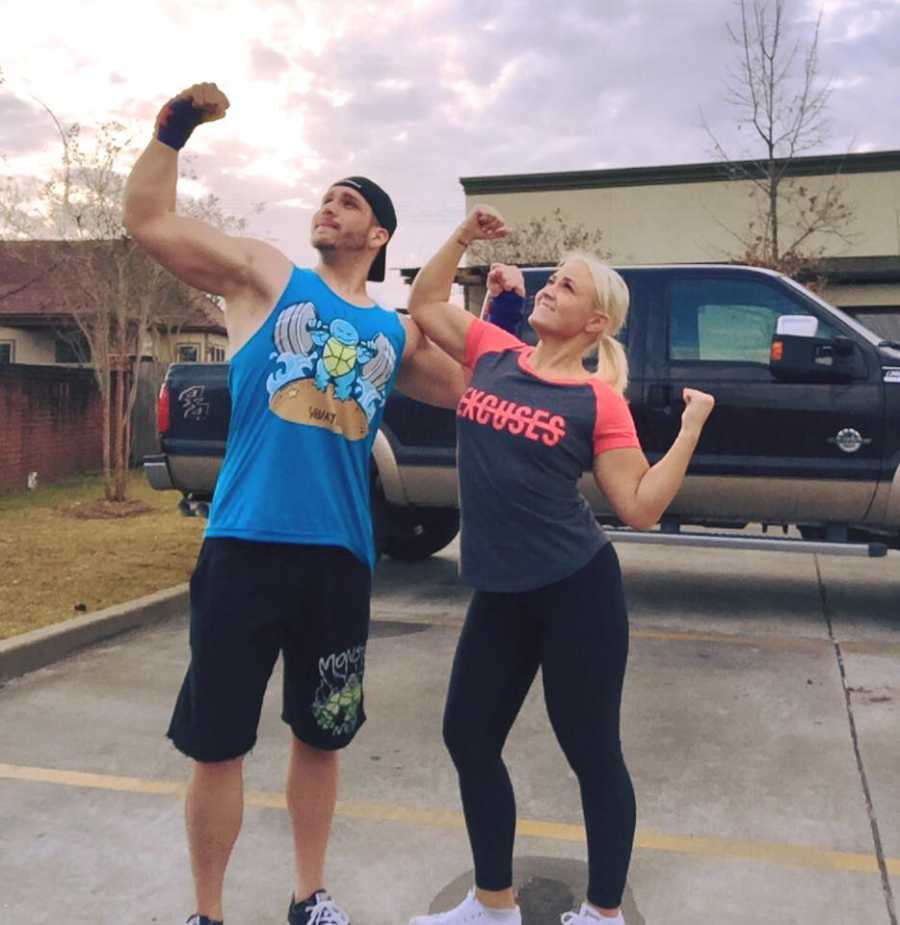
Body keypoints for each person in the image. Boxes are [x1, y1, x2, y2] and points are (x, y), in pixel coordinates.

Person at [123, 82, 466, 925]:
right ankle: (207, 912)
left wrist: (491, 312)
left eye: (349, 203)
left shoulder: (394, 334)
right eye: (326, 197)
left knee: (322, 736)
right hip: (244, 544)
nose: (330, 205)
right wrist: (172, 131)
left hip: (341, 557)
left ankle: (309, 896)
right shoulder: (265, 276)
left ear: (378, 235)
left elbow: (475, 390)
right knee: (219, 741)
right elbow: (150, 222)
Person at [404, 206, 716, 925]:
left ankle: (603, 912)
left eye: (567, 288)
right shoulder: (491, 351)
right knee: (468, 735)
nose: (550, 289)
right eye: (554, 281)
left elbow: (638, 506)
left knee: (591, 750)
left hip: (577, 591)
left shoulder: (596, 400)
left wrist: (690, 429)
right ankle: (492, 905)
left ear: (593, 323)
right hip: (502, 590)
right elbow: (425, 302)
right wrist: (462, 239)